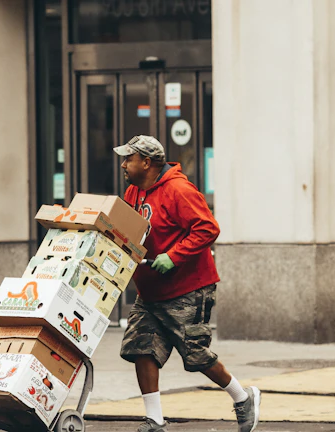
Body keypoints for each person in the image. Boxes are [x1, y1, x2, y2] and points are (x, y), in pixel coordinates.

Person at [113, 135, 261, 432]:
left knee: (195, 355)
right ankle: (154, 420)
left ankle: (243, 398)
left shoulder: (179, 190)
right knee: (141, 348)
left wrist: (174, 255)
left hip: (188, 289)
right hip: (150, 291)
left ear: (147, 162)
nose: (123, 164)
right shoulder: (133, 192)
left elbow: (208, 227)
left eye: (129, 158)